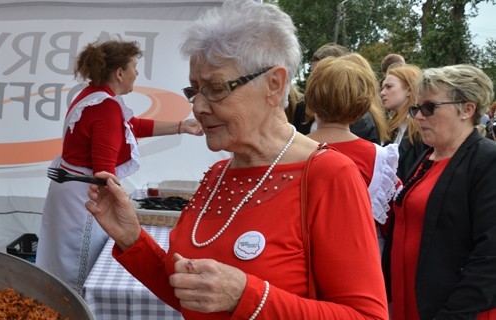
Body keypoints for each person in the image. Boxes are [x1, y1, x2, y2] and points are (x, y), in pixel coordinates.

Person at [84, 1, 388, 319]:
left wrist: (248, 296)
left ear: (274, 85)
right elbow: (190, 294)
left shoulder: (329, 175)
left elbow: (366, 315)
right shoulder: (218, 174)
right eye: (195, 90)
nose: (198, 106)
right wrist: (132, 238)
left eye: (216, 88)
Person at [36, 38, 203, 291]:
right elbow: (104, 172)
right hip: (84, 197)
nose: (137, 73)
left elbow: (131, 126)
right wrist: (121, 204)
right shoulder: (105, 107)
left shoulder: (92, 96)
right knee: (77, 272)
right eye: (134, 66)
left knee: (60, 264)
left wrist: (181, 127)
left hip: (68, 191)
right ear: (120, 72)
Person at [388, 64, 496, 319]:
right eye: (417, 108)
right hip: (410, 304)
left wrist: (454, 314)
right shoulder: (426, 157)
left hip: (455, 311)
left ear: (467, 109)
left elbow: (491, 255)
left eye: (429, 107)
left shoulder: (486, 161)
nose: (418, 116)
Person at [305, 55, 399, 252]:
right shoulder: (379, 159)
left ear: (312, 101)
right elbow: (391, 221)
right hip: (360, 257)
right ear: (362, 108)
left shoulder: (289, 151)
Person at [293, 44, 383, 144]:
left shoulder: (360, 120)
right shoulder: (302, 108)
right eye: (313, 74)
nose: (315, 81)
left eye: (322, 74)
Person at [381, 64, 428, 179]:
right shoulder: (392, 126)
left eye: (389, 86)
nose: (382, 92)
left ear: (409, 90)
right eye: (383, 87)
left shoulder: (421, 128)